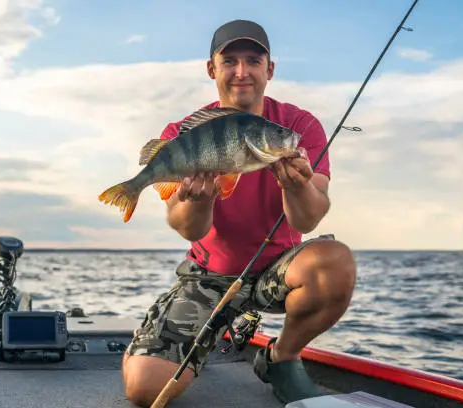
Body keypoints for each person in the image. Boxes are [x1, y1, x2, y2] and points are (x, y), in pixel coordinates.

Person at [122, 19, 357, 407]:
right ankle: (177, 338)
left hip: (276, 271)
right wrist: (199, 199)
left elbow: (308, 219)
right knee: (145, 390)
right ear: (212, 69)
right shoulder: (180, 132)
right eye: (229, 61)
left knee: (335, 263)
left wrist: (296, 185)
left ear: (270, 69)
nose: (242, 72)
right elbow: (185, 227)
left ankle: (282, 356)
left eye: (253, 60)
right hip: (209, 277)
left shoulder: (299, 125)